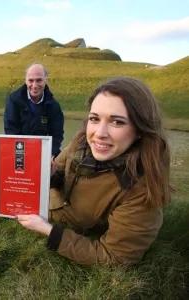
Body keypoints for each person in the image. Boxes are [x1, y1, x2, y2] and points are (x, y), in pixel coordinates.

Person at [17, 77, 172, 265]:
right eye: (94, 118)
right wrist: (50, 175)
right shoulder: (80, 142)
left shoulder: (142, 190)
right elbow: (62, 173)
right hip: (50, 212)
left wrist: (47, 230)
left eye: (117, 122)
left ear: (140, 129)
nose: (99, 133)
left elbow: (115, 257)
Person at [4, 63, 64, 157]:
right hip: (19, 150)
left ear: (46, 80)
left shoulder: (54, 105)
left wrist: (51, 154)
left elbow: (57, 135)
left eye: (39, 80)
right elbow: (10, 130)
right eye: (31, 80)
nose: (34, 85)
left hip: (44, 151)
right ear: (26, 81)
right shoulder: (13, 100)